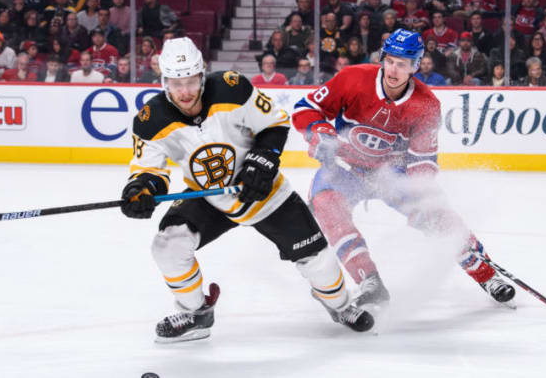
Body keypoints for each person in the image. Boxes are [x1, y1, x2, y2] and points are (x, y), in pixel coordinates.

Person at [120, 37, 374, 343]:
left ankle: (341, 305)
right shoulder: (150, 120)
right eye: (176, 83)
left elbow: (275, 124)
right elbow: (149, 169)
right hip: (208, 197)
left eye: (190, 81)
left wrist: (263, 159)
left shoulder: (232, 88)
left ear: (202, 75)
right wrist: (141, 189)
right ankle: (195, 313)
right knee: (167, 245)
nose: (185, 92)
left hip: (265, 194)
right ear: (164, 83)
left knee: (319, 261)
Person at [291, 29, 516, 315]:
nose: (394, 69)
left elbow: (423, 162)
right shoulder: (352, 78)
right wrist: (321, 134)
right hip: (345, 168)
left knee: (435, 215)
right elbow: (307, 108)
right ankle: (370, 282)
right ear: (382, 58)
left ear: (415, 66)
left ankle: (486, 273)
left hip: (391, 174)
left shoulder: (425, 104)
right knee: (326, 206)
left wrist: (423, 196)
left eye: (403, 63)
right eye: (390, 60)